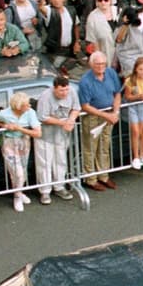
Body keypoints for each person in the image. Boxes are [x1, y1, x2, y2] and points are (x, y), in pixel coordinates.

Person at [78, 52, 121, 192]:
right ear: (91, 65)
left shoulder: (111, 73)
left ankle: (103, 175)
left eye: (103, 64)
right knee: (90, 147)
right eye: (98, 64)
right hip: (92, 116)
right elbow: (85, 105)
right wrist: (105, 115)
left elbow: (117, 93)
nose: (101, 67)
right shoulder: (85, 81)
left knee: (104, 145)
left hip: (108, 113)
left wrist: (115, 112)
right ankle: (91, 179)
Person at [35, 77, 79, 204]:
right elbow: (43, 117)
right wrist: (62, 122)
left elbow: (76, 108)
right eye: (61, 91)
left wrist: (70, 120)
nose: (64, 93)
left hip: (61, 134)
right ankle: (45, 191)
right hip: (45, 135)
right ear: (54, 88)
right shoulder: (45, 96)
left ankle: (59, 186)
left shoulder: (71, 92)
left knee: (61, 160)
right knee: (45, 162)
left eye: (66, 90)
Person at [0, 92, 41, 213]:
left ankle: (19, 192)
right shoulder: (4, 113)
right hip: (9, 143)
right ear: (18, 106)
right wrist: (4, 125)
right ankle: (17, 197)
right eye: (26, 105)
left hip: (24, 142)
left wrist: (19, 128)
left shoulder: (30, 113)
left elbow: (38, 133)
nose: (29, 107)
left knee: (22, 170)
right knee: (17, 172)